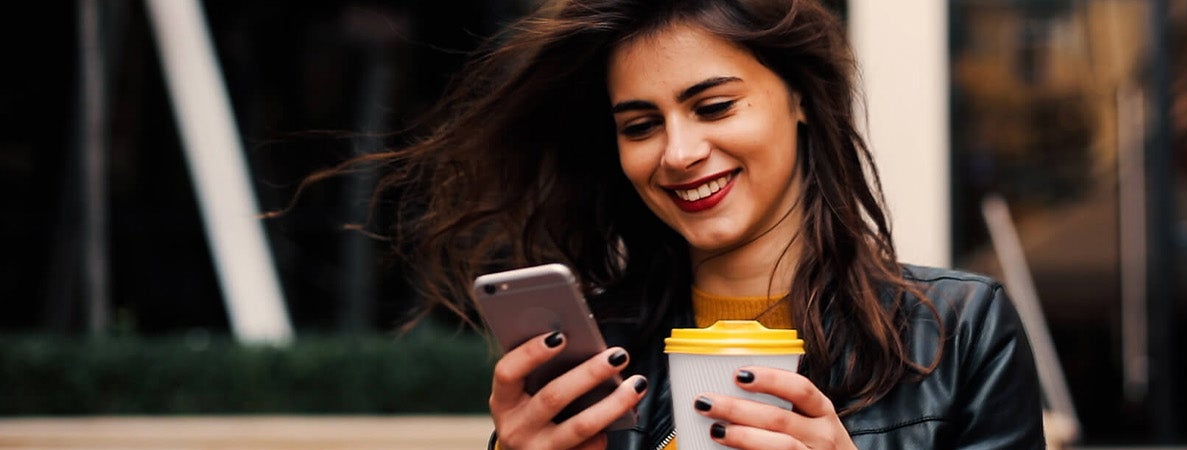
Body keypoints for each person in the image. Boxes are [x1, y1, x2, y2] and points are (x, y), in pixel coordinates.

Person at [357, 0, 1045, 448]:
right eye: (641, 124)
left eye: (714, 107)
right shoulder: (597, 353)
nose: (679, 153)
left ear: (801, 99)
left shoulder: (960, 330)